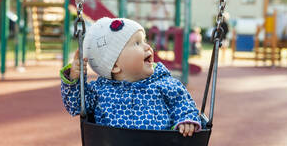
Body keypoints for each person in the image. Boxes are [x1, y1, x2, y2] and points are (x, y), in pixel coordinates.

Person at [60, 17, 202, 137]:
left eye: (144, 41)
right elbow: (77, 105)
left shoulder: (166, 84)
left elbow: (183, 104)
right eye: (137, 43)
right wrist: (75, 79)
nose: (147, 47)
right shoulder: (99, 90)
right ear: (115, 66)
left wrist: (186, 120)